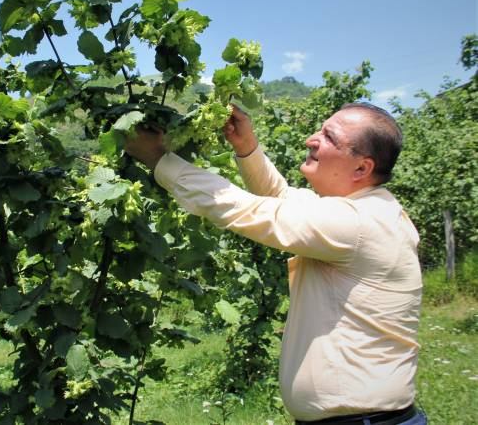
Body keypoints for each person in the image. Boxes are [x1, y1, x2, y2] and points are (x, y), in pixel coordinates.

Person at [125, 102, 426, 425]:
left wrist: (158, 158)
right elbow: (281, 198)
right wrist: (246, 147)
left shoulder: (357, 225)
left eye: (329, 137)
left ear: (361, 169)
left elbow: (248, 210)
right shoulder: (366, 211)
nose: (312, 139)